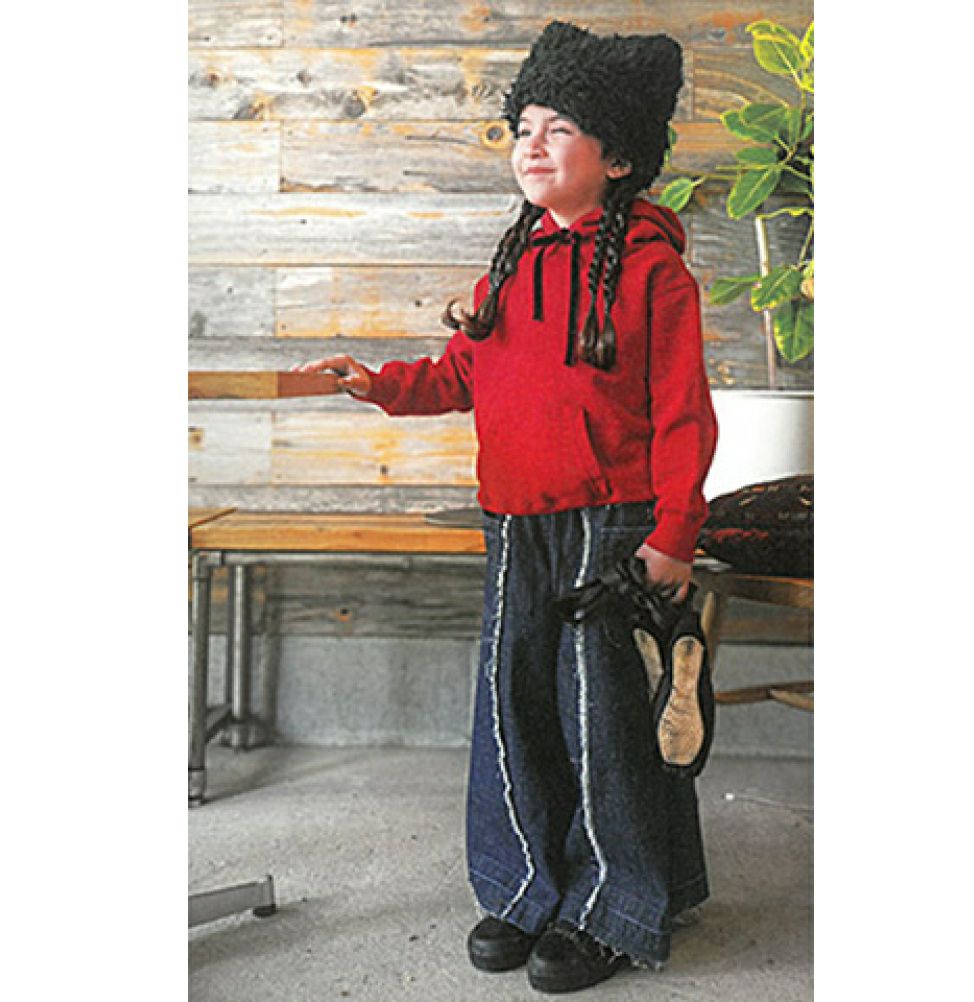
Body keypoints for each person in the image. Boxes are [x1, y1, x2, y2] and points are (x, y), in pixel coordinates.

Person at [295, 20, 718, 994]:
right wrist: (378, 384)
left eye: (559, 128)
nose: (531, 144)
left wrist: (674, 534)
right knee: (514, 706)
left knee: (604, 719)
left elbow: (685, 414)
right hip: (515, 522)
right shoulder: (513, 266)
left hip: (612, 527)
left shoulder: (654, 272)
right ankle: (528, 887)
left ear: (617, 158)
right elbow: (460, 375)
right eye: (522, 127)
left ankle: (613, 907)